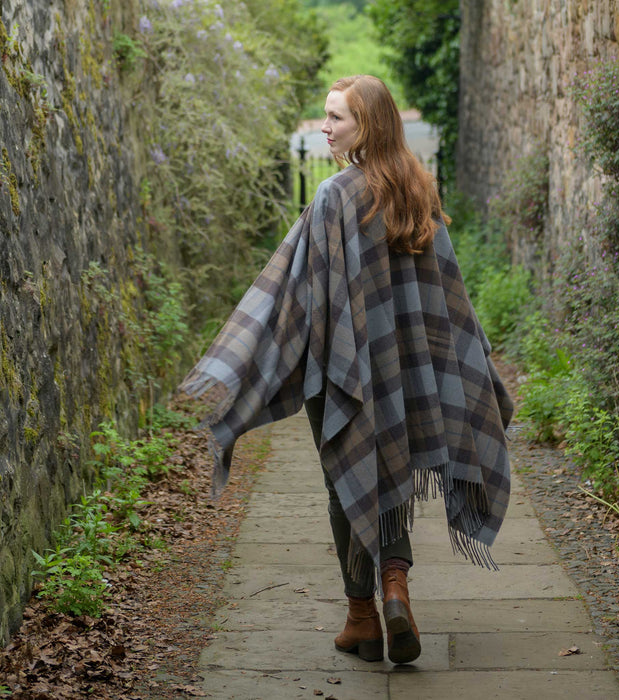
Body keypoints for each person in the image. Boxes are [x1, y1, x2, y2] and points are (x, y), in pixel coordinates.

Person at [179, 75, 513, 666]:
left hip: (347, 367)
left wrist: (251, 355)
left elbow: (298, 288)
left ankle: (363, 615)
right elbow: (448, 292)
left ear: (369, 126)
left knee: (349, 472)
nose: (327, 128)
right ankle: (395, 591)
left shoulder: (335, 195)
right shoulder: (418, 188)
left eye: (337, 119)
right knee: (392, 469)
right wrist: (471, 356)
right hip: (409, 367)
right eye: (326, 117)